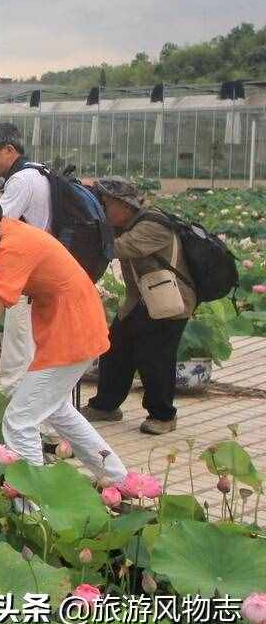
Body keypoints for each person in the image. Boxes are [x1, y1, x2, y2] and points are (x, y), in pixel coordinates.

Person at [0, 197, 128, 485]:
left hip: (72, 328)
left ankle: (35, 504)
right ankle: (119, 480)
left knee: (19, 420)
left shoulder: (11, 246)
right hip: (66, 323)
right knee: (57, 409)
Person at [81, 177, 196, 435]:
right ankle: (106, 406)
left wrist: (83, 234)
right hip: (141, 300)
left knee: (155, 357)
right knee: (114, 348)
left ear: (124, 205)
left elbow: (118, 248)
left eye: (105, 204)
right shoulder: (124, 223)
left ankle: (163, 415)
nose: (101, 209)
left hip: (171, 300)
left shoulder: (153, 225)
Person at [0, 123, 51, 393]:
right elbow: (6, 207)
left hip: (26, 277)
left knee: (17, 355)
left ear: (9, 150)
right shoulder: (37, 171)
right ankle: (45, 426)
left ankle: (11, 423)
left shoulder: (21, 180)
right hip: (42, 273)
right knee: (35, 351)